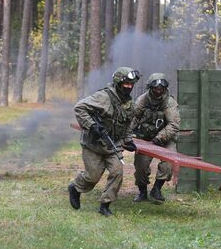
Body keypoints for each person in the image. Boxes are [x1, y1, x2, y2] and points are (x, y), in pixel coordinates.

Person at [68, 67, 140, 216]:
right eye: (126, 83)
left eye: (131, 84)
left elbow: (127, 124)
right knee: (92, 176)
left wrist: (128, 140)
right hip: (93, 145)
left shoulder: (128, 103)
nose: (129, 87)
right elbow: (79, 108)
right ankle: (75, 188)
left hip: (113, 145)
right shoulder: (103, 97)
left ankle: (105, 205)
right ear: (118, 83)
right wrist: (92, 126)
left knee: (117, 172)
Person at [131, 73, 180, 203]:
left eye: (161, 88)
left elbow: (174, 124)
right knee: (140, 165)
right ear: (150, 88)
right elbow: (133, 117)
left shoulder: (169, 102)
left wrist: (160, 138)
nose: (158, 91)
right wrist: (127, 133)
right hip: (146, 138)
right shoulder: (143, 100)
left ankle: (157, 189)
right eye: (155, 88)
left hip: (165, 138)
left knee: (169, 162)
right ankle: (142, 192)